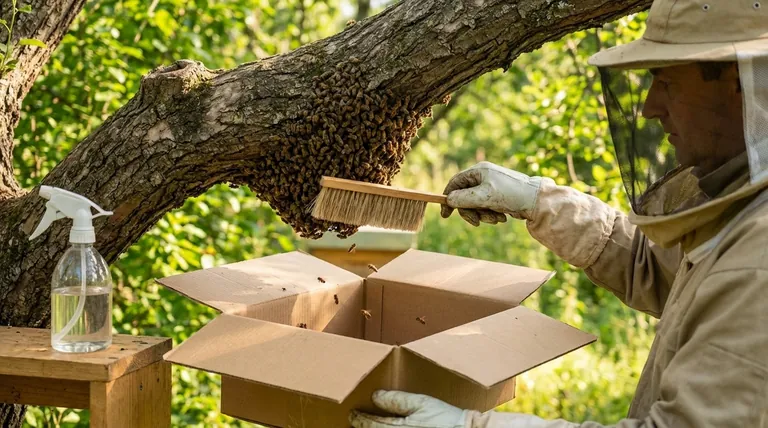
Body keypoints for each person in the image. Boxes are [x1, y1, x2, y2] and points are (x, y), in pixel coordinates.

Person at [350, 0, 768, 427]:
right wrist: (538, 201)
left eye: (667, 83)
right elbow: (659, 268)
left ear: (737, 81)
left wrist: (473, 426)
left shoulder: (759, 262)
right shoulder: (742, 212)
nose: (649, 107)